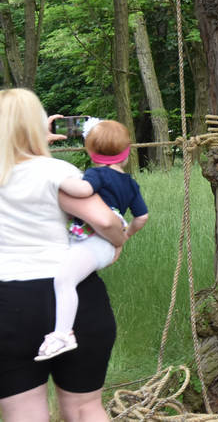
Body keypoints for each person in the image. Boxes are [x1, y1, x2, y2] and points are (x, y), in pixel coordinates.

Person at [0, 88, 128, 422]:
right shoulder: (54, 170)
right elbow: (102, 219)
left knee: (23, 412)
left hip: (9, 302)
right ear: (35, 126)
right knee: (85, 408)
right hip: (71, 294)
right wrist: (118, 241)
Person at [37, 119, 149, 361]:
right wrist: (125, 236)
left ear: (90, 151)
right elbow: (142, 217)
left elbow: (83, 191)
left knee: (64, 279)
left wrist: (59, 180)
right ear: (127, 152)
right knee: (70, 277)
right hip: (103, 243)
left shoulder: (96, 174)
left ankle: (63, 334)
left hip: (95, 241)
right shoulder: (130, 183)